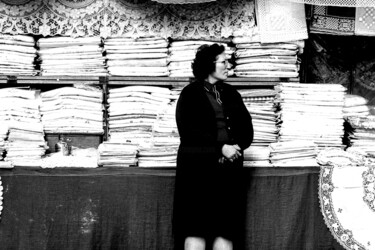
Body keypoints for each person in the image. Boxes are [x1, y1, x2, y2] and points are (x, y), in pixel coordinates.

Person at [173, 43, 254, 250]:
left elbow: (246, 130)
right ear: (210, 65)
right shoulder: (190, 94)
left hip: (227, 173)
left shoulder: (232, 94)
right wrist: (220, 148)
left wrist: (236, 146)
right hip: (197, 174)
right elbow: (189, 134)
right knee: (195, 230)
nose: (228, 66)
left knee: (225, 231)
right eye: (223, 62)